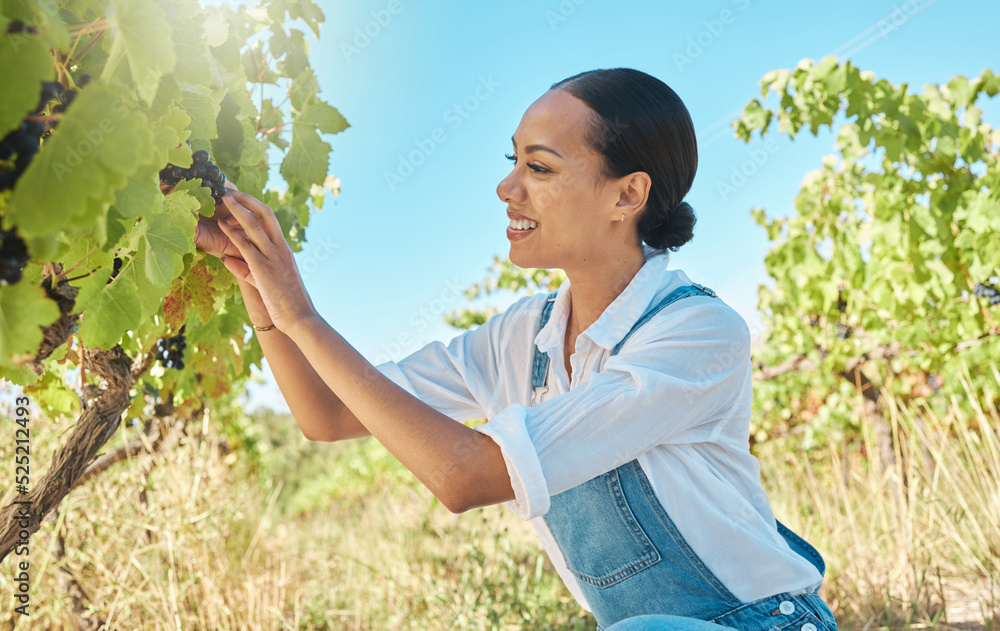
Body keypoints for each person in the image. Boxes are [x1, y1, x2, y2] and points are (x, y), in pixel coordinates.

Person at [193, 68, 839, 631]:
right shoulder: (520, 336)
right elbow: (324, 415)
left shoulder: (696, 331)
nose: (509, 188)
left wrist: (303, 314)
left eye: (539, 167)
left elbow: (462, 475)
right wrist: (261, 291)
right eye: (512, 162)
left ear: (627, 195)